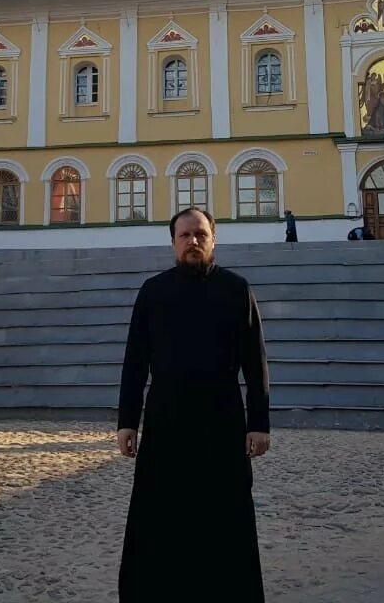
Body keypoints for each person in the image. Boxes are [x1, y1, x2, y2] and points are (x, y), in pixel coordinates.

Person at [117, 207, 270, 602]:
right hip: (167, 420)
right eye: (185, 236)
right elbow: (135, 360)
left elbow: (255, 363)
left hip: (222, 420)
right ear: (173, 243)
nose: (193, 242)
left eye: (200, 234)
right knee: (160, 514)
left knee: (225, 514)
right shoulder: (153, 291)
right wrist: (127, 421)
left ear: (213, 240)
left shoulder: (236, 289)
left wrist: (259, 423)